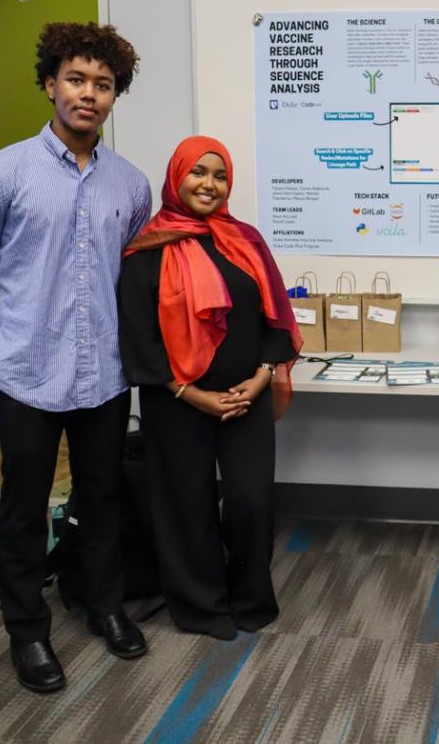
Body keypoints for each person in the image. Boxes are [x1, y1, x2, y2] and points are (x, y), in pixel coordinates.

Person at [0, 22, 152, 692]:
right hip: (27, 375)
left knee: (102, 496)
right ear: (49, 83)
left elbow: (131, 276)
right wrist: (11, 337)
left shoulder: (131, 184)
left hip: (105, 374)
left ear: (115, 95)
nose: (89, 94)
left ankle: (105, 604)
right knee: (24, 505)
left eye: (103, 84)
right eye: (76, 79)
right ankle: (28, 630)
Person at [119, 136, 301, 641]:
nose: (209, 184)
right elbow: (138, 337)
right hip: (176, 400)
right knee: (186, 506)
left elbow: (276, 320)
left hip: (248, 396)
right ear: (177, 177)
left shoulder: (246, 241)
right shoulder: (145, 251)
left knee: (249, 500)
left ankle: (249, 598)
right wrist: (190, 393)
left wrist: (262, 376)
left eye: (219, 175)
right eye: (198, 172)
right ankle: (201, 606)